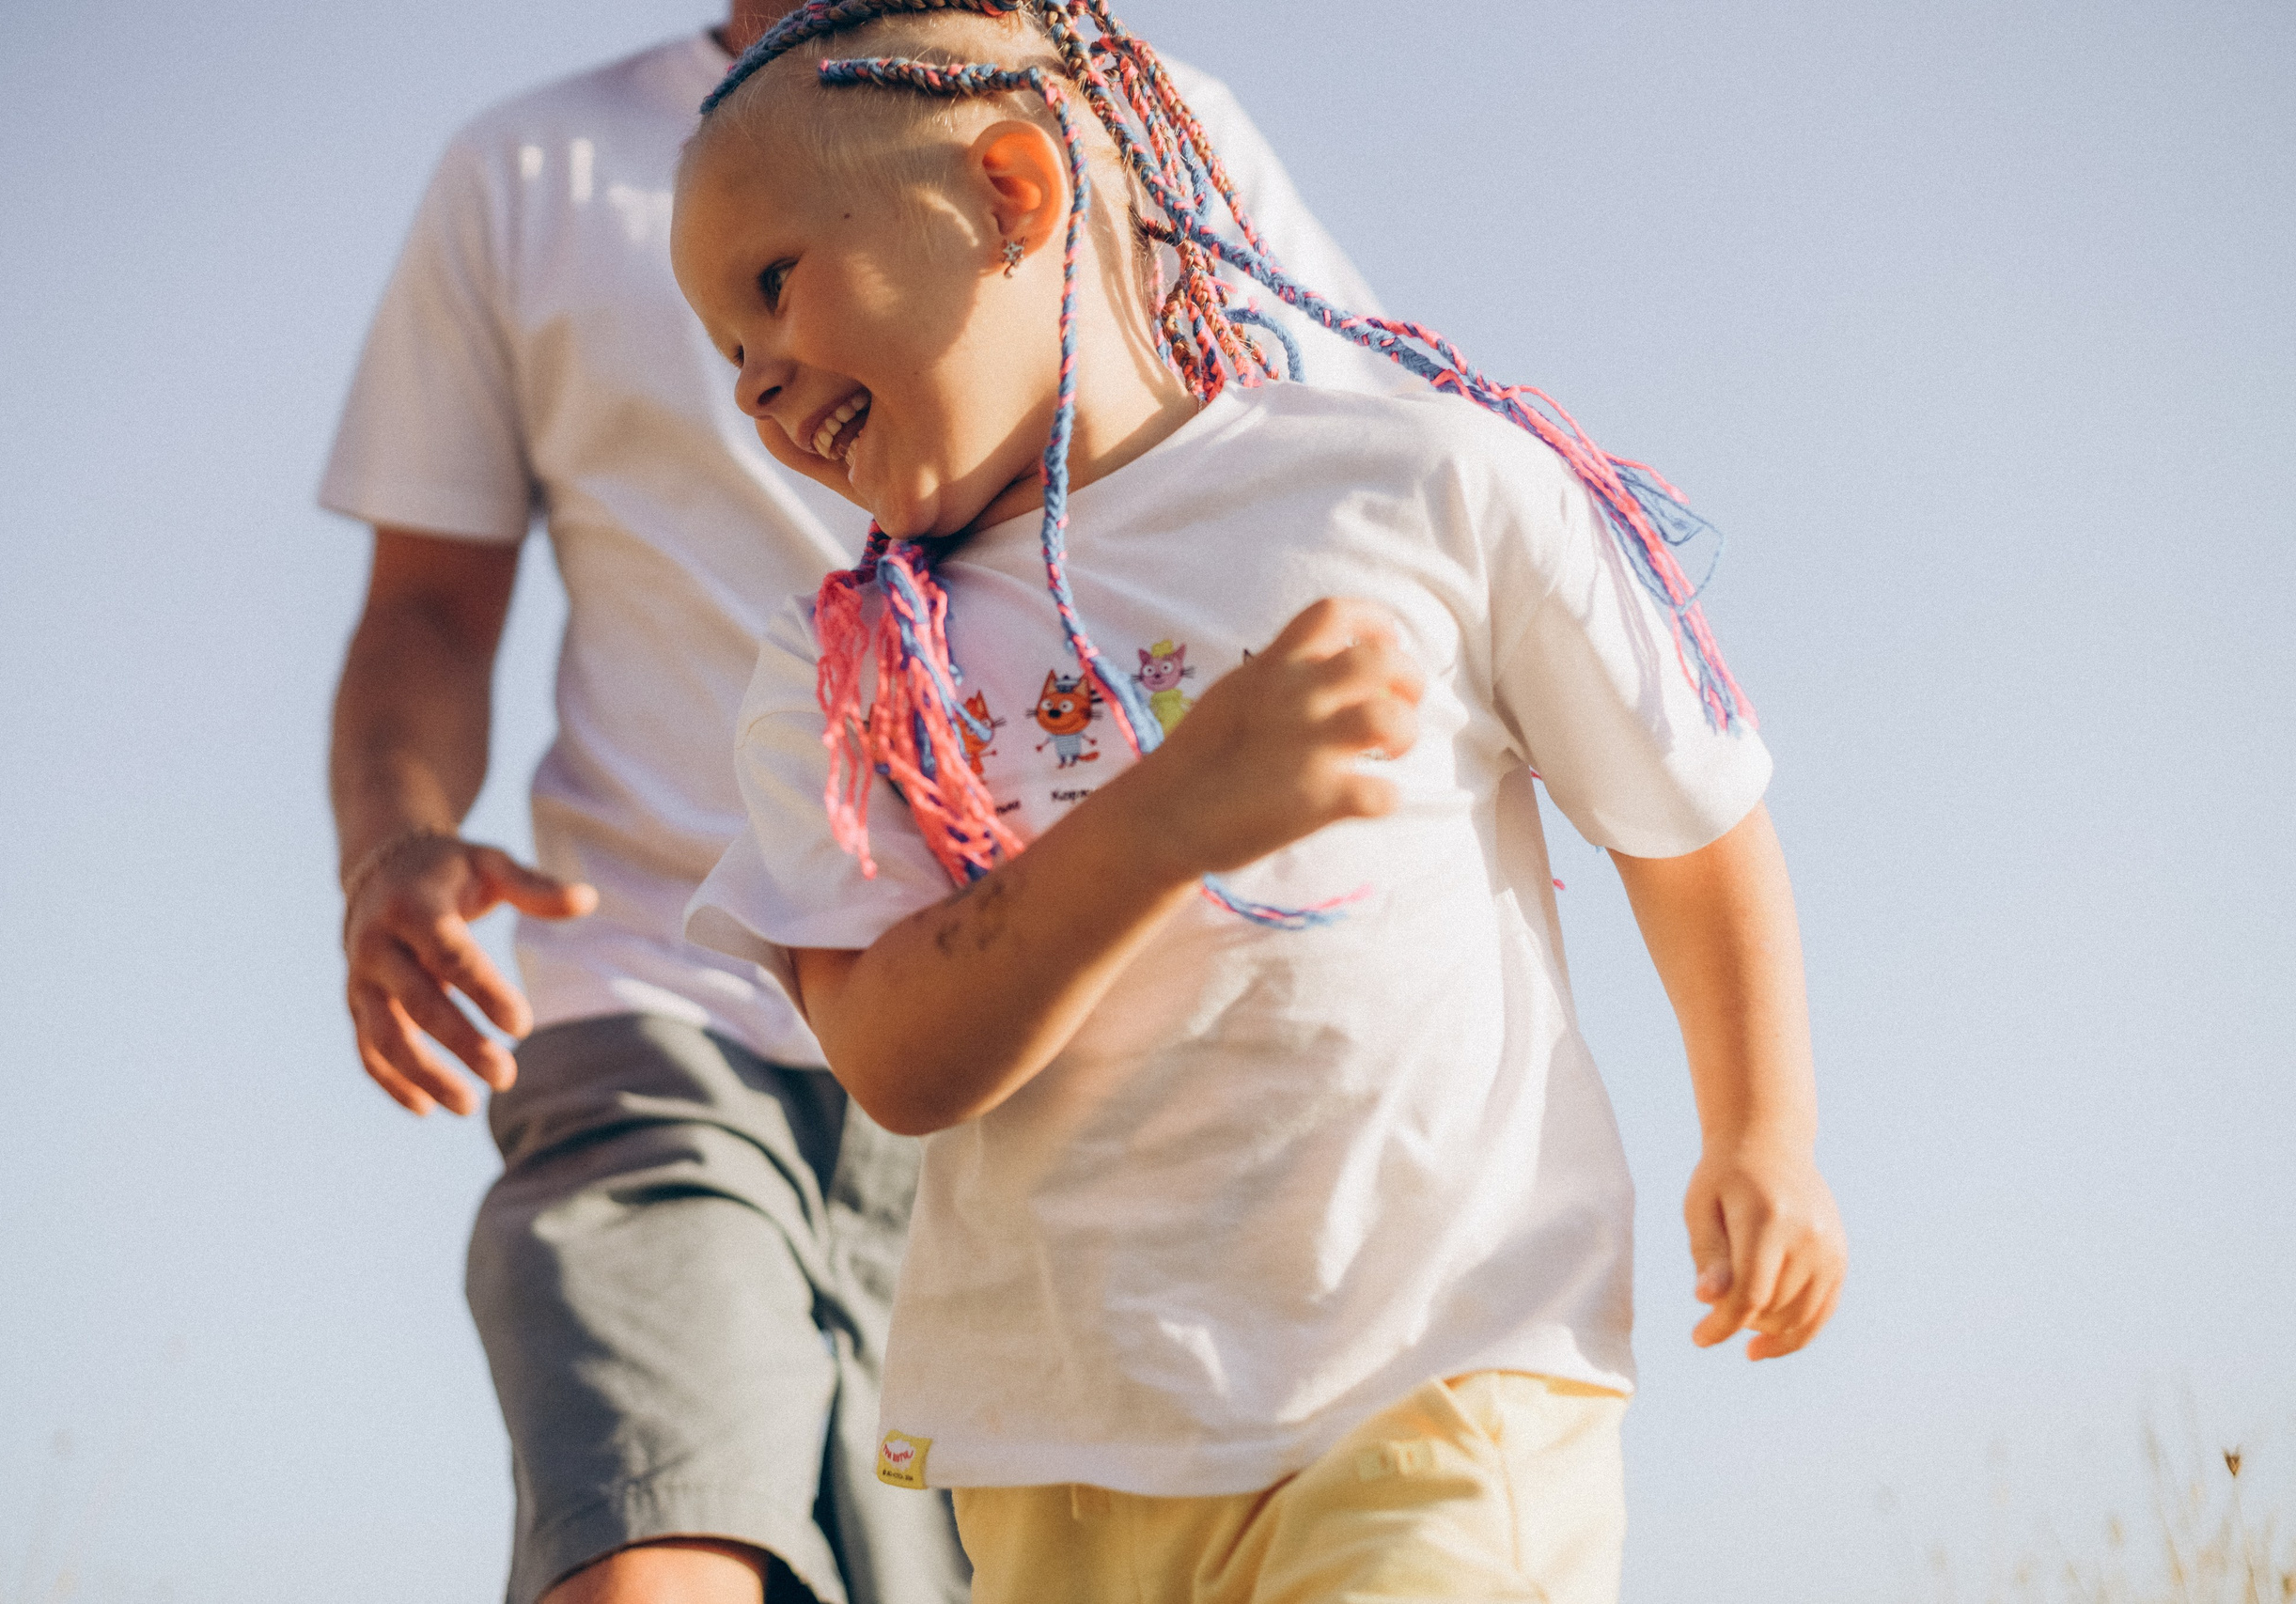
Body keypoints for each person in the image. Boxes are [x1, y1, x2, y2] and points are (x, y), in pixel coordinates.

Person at [674, 5, 1848, 1601]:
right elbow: (896, 1060)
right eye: (725, 346)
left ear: (1011, 194)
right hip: (1064, 1468)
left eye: (772, 287)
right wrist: (1171, 817)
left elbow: (1689, 811)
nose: (752, 382)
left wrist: (1763, 1127)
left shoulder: (1427, 483)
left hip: (1436, 1379)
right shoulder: (850, 675)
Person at [319, 2, 1391, 1600]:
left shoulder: (1134, 122)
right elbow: (425, 609)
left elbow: (1340, 482)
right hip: (666, 996)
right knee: (644, 1560)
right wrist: (393, 847)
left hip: (1067, 1028)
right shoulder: (528, 171)